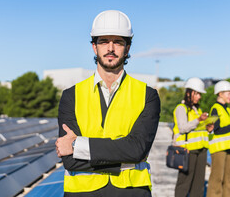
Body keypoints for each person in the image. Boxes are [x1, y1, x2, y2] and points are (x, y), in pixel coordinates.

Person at [55, 10, 160, 196]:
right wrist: (123, 157)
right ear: (94, 47)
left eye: (118, 42)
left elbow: (137, 150)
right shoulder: (71, 96)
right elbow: (69, 160)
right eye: (103, 41)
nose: (110, 48)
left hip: (132, 192)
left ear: (127, 48)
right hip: (82, 193)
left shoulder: (147, 95)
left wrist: (79, 146)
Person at [173, 77, 214, 197]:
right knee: (184, 183)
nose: (199, 97)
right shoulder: (181, 108)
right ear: (189, 93)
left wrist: (208, 129)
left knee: (198, 184)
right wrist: (198, 120)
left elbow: (198, 131)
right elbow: (182, 128)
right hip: (187, 151)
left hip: (201, 151)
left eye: (200, 94)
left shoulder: (198, 110)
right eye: (197, 94)